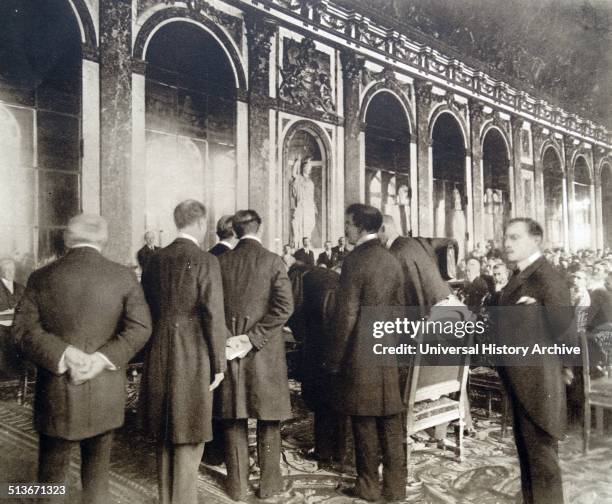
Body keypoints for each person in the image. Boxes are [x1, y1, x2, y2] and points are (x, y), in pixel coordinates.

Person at [13, 214, 152, 504]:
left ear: (67, 238)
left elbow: (23, 331)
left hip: (56, 392)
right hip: (105, 393)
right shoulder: (123, 276)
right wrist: (102, 359)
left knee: (50, 480)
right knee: (98, 480)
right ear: (104, 240)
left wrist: (64, 353)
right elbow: (141, 328)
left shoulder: (42, 276)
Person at [140, 200, 227, 504]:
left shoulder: (155, 259)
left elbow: (146, 308)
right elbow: (214, 315)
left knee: (166, 431)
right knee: (190, 431)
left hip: (159, 349)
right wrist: (219, 364)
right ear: (202, 224)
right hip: (193, 352)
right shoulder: (205, 260)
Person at [326, 204, 406, 502]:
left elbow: (346, 314)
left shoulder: (355, 260)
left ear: (359, 226)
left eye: (347, 223)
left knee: (363, 419)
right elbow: (400, 308)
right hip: (387, 346)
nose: (345, 229)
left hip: (361, 348)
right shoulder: (391, 258)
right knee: (389, 417)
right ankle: (396, 487)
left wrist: (334, 359)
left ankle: (368, 486)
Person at [215, 209, 294, 501]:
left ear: (234, 231)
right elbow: (284, 308)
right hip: (264, 353)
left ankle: (236, 487)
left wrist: (230, 339)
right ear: (259, 229)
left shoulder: (220, 262)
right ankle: (269, 486)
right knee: (268, 420)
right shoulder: (274, 261)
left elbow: (211, 309)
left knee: (234, 417)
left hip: (230, 350)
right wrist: (253, 338)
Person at [496, 217, 574, 504]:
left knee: (543, 463)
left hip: (539, 384)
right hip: (522, 380)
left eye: (515, 237)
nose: (506, 243)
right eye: (506, 237)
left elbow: (565, 332)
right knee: (529, 458)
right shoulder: (522, 275)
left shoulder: (547, 277)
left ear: (536, 240)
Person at [378, 214, 451, 317]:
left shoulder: (393, 254)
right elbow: (450, 242)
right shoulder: (419, 241)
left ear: (383, 228)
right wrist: (445, 274)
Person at [0, 258, 25, 375]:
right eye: (7, 270)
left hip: (17, 325)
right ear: (1, 271)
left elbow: (26, 306)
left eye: (12, 270)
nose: (10, 272)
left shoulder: (20, 288)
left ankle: (18, 372)